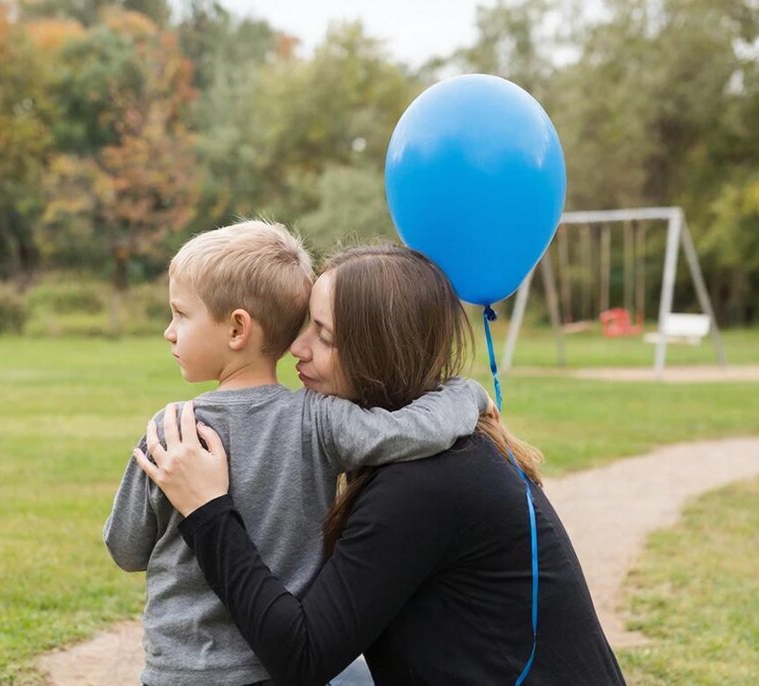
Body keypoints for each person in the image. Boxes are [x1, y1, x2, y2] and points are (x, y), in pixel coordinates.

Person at [135, 245, 627, 685]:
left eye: (323, 335)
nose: (297, 348)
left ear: (376, 353)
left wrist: (207, 511)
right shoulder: (431, 446)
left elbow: (301, 658)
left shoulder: (423, 485)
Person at [104, 222, 491, 685]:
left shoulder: (172, 432)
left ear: (237, 328)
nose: (169, 332)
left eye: (181, 315)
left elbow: (125, 549)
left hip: (183, 672)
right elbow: (413, 429)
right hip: (278, 662)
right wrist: (468, 395)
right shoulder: (321, 421)